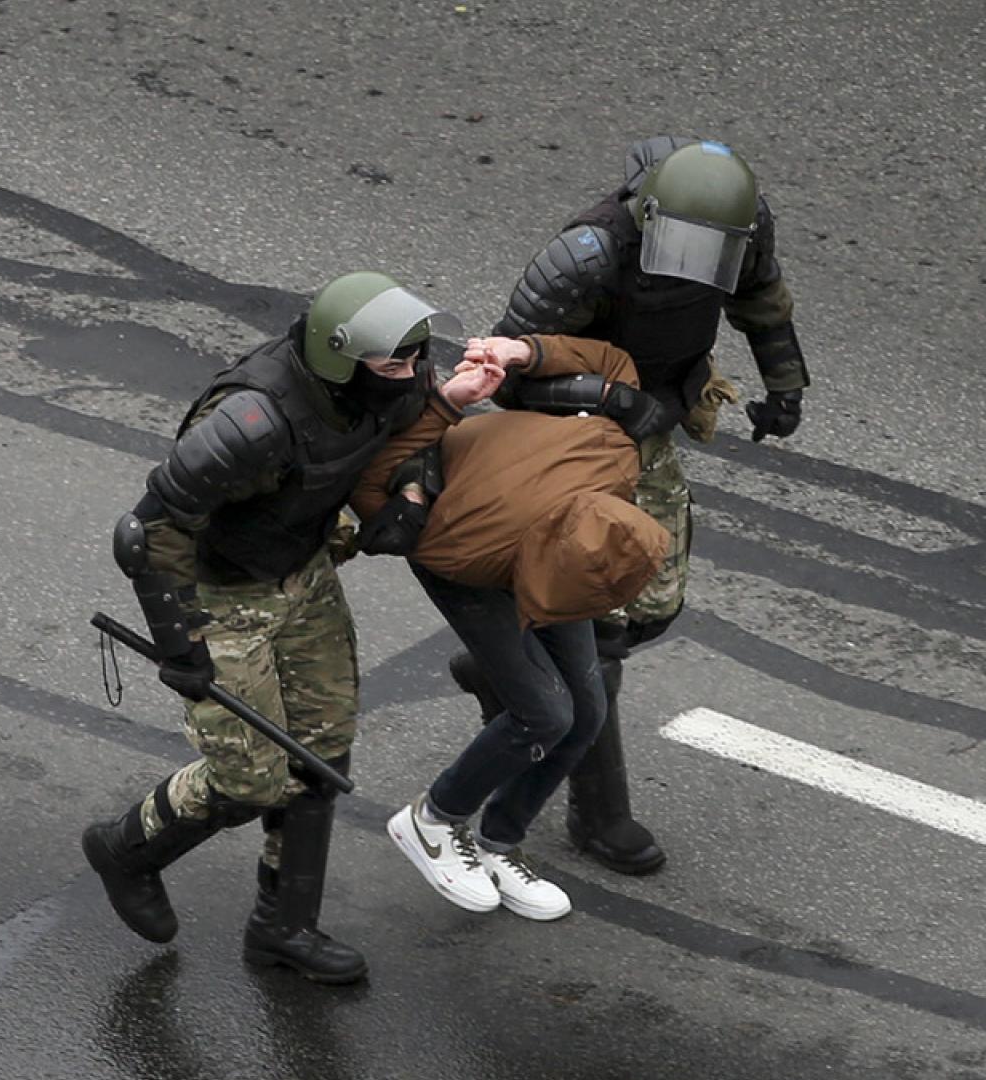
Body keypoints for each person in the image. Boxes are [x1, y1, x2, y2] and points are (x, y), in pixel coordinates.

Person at [82, 272, 504, 983]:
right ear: (341, 358)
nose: (408, 374)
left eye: (414, 360)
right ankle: (128, 848)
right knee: (248, 780)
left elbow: (403, 438)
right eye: (393, 364)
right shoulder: (251, 421)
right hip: (222, 594)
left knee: (321, 751)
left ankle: (284, 927)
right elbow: (149, 530)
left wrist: (414, 474)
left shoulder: (392, 380)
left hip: (303, 574)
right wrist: (181, 643)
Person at [452, 136, 814, 874]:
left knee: (652, 602)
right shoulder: (587, 253)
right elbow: (509, 372)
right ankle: (599, 815)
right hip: (573, 433)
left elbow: (761, 298)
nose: (693, 261)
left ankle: (505, 669)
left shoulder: (743, 227)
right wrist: (613, 399)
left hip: (654, 417)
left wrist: (786, 385)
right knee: (602, 621)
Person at [347, 333, 669, 918]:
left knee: (588, 711)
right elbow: (373, 481)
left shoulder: (616, 454)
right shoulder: (461, 549)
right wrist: (447, 405)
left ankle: (498, 843)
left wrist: (526, 353)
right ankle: (431, 820)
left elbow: (612, 361)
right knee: (544, 712)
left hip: (549, 531)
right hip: (465, 560)